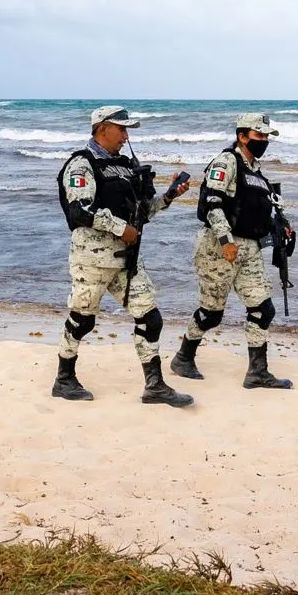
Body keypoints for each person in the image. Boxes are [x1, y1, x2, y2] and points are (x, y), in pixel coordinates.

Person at [53, 105, 194, 407]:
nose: (126, 136)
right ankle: (64, 379)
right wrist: (121, 228)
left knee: (150, 317)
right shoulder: (82, 164)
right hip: (92, 258)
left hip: (126, 260)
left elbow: (142, 214)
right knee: (82, 320)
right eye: (122, 129)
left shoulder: (126, 166)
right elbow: (80, 210)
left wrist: (169, 195)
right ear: (102, 128)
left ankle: (154, 386)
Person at [170, 113, 293, 389]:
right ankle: (183, 358)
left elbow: (254, 211)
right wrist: (226, 241)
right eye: (258, 135)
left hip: (249, 249)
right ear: (242, 136)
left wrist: (280, 225)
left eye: (266, 136)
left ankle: (257, 373)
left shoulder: (256, 172)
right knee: (212, 313)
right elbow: (212, 203)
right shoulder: (226, 162)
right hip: (218, 247)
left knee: (263, 308)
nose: (263, 141)